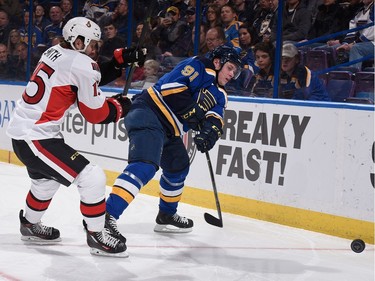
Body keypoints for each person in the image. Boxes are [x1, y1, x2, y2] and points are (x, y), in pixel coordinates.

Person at [6, 17, 145, 257]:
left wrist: (118, 62)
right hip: (36, 136)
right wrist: (120, 108)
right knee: (92, 177)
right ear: (78, 41)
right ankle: (97, 235)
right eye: (92, 44)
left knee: (45, 182)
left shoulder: (53, 51)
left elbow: (84, 77)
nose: (95, 49)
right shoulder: (81, 64)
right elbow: (95, 113)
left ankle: (29, 225)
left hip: (27, 132)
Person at [105, 45, 242, 240]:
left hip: (169, 129)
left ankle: (166, 215)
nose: (231, 74)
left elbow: (215, 118)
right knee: (144, 166)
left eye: (235, 72)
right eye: (230, 68)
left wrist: (209, 133)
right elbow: (173, 88)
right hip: (148, 112)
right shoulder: (199, 65)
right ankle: (104, 215)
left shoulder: (220, 94)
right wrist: (192, 112)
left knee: (178, 165)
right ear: (218, 62)